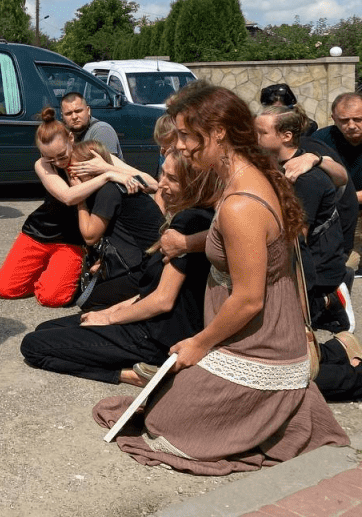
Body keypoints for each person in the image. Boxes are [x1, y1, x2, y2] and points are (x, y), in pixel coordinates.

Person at [94, 81, 349, 475]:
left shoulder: (239, 204)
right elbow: (243, 243)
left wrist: (199, 343)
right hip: (259, 335)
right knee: (158, 406)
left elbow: (249, 300)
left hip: (261, 345)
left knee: (165, 426)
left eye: (184, 134)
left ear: (217, 133)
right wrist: (191, 243)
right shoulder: (251, 176)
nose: (178, 145)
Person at [20, 150, 219, 385]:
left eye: (173, 179)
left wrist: (110, 319)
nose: (162, 184)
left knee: (33, 346)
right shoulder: (188, 216)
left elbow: (163, 300)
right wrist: (106, 312)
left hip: (154, 338)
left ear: (195, 184)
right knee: (46, 328)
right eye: (163, 173)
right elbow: (148, 293)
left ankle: (130, 375)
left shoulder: (190, 222)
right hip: (147, 324)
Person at [0, 108, 141, 307]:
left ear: (71, 138)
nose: (58, 163)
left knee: (52, 298)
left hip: (71, 241)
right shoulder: (42, 164)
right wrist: (107, 177)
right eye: (50, 158)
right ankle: (48, 267)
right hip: (39, 232)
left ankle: (63, 270)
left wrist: (107, 168)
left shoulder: (90, 155)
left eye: (61, 156)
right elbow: (68, 196)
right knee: (5, 289)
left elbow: (147, 180)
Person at [255, 105, 352, 331]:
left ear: (286, 136)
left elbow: (297, 241)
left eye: (262, 133)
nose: (254, 137)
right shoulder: (275, 165)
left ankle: (329, 301)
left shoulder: (303, 179)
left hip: (316, 270)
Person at [69, 140, 164, 310]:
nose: (72, 176)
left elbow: (90, 236)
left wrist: (80, 201)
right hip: (154, 262)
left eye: (75, 170)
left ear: (88, 170)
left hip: (148, 270)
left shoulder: (109, 190)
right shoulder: (115, 185)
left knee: (87, 301)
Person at [313, 92, 362, 267]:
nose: (351, 125)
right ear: (333, 118)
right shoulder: (320, 141)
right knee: (344, 266)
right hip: (341, 215)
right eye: (344, 120)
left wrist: (349, 197)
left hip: (343, 202)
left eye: (358, 119)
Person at [60, 92, 123, 159]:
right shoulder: (62, 133)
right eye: (68, 113)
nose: (74, 117)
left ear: (88, 111)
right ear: (62, 116)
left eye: (78, 111)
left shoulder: (102, 130)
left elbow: (104, 166)